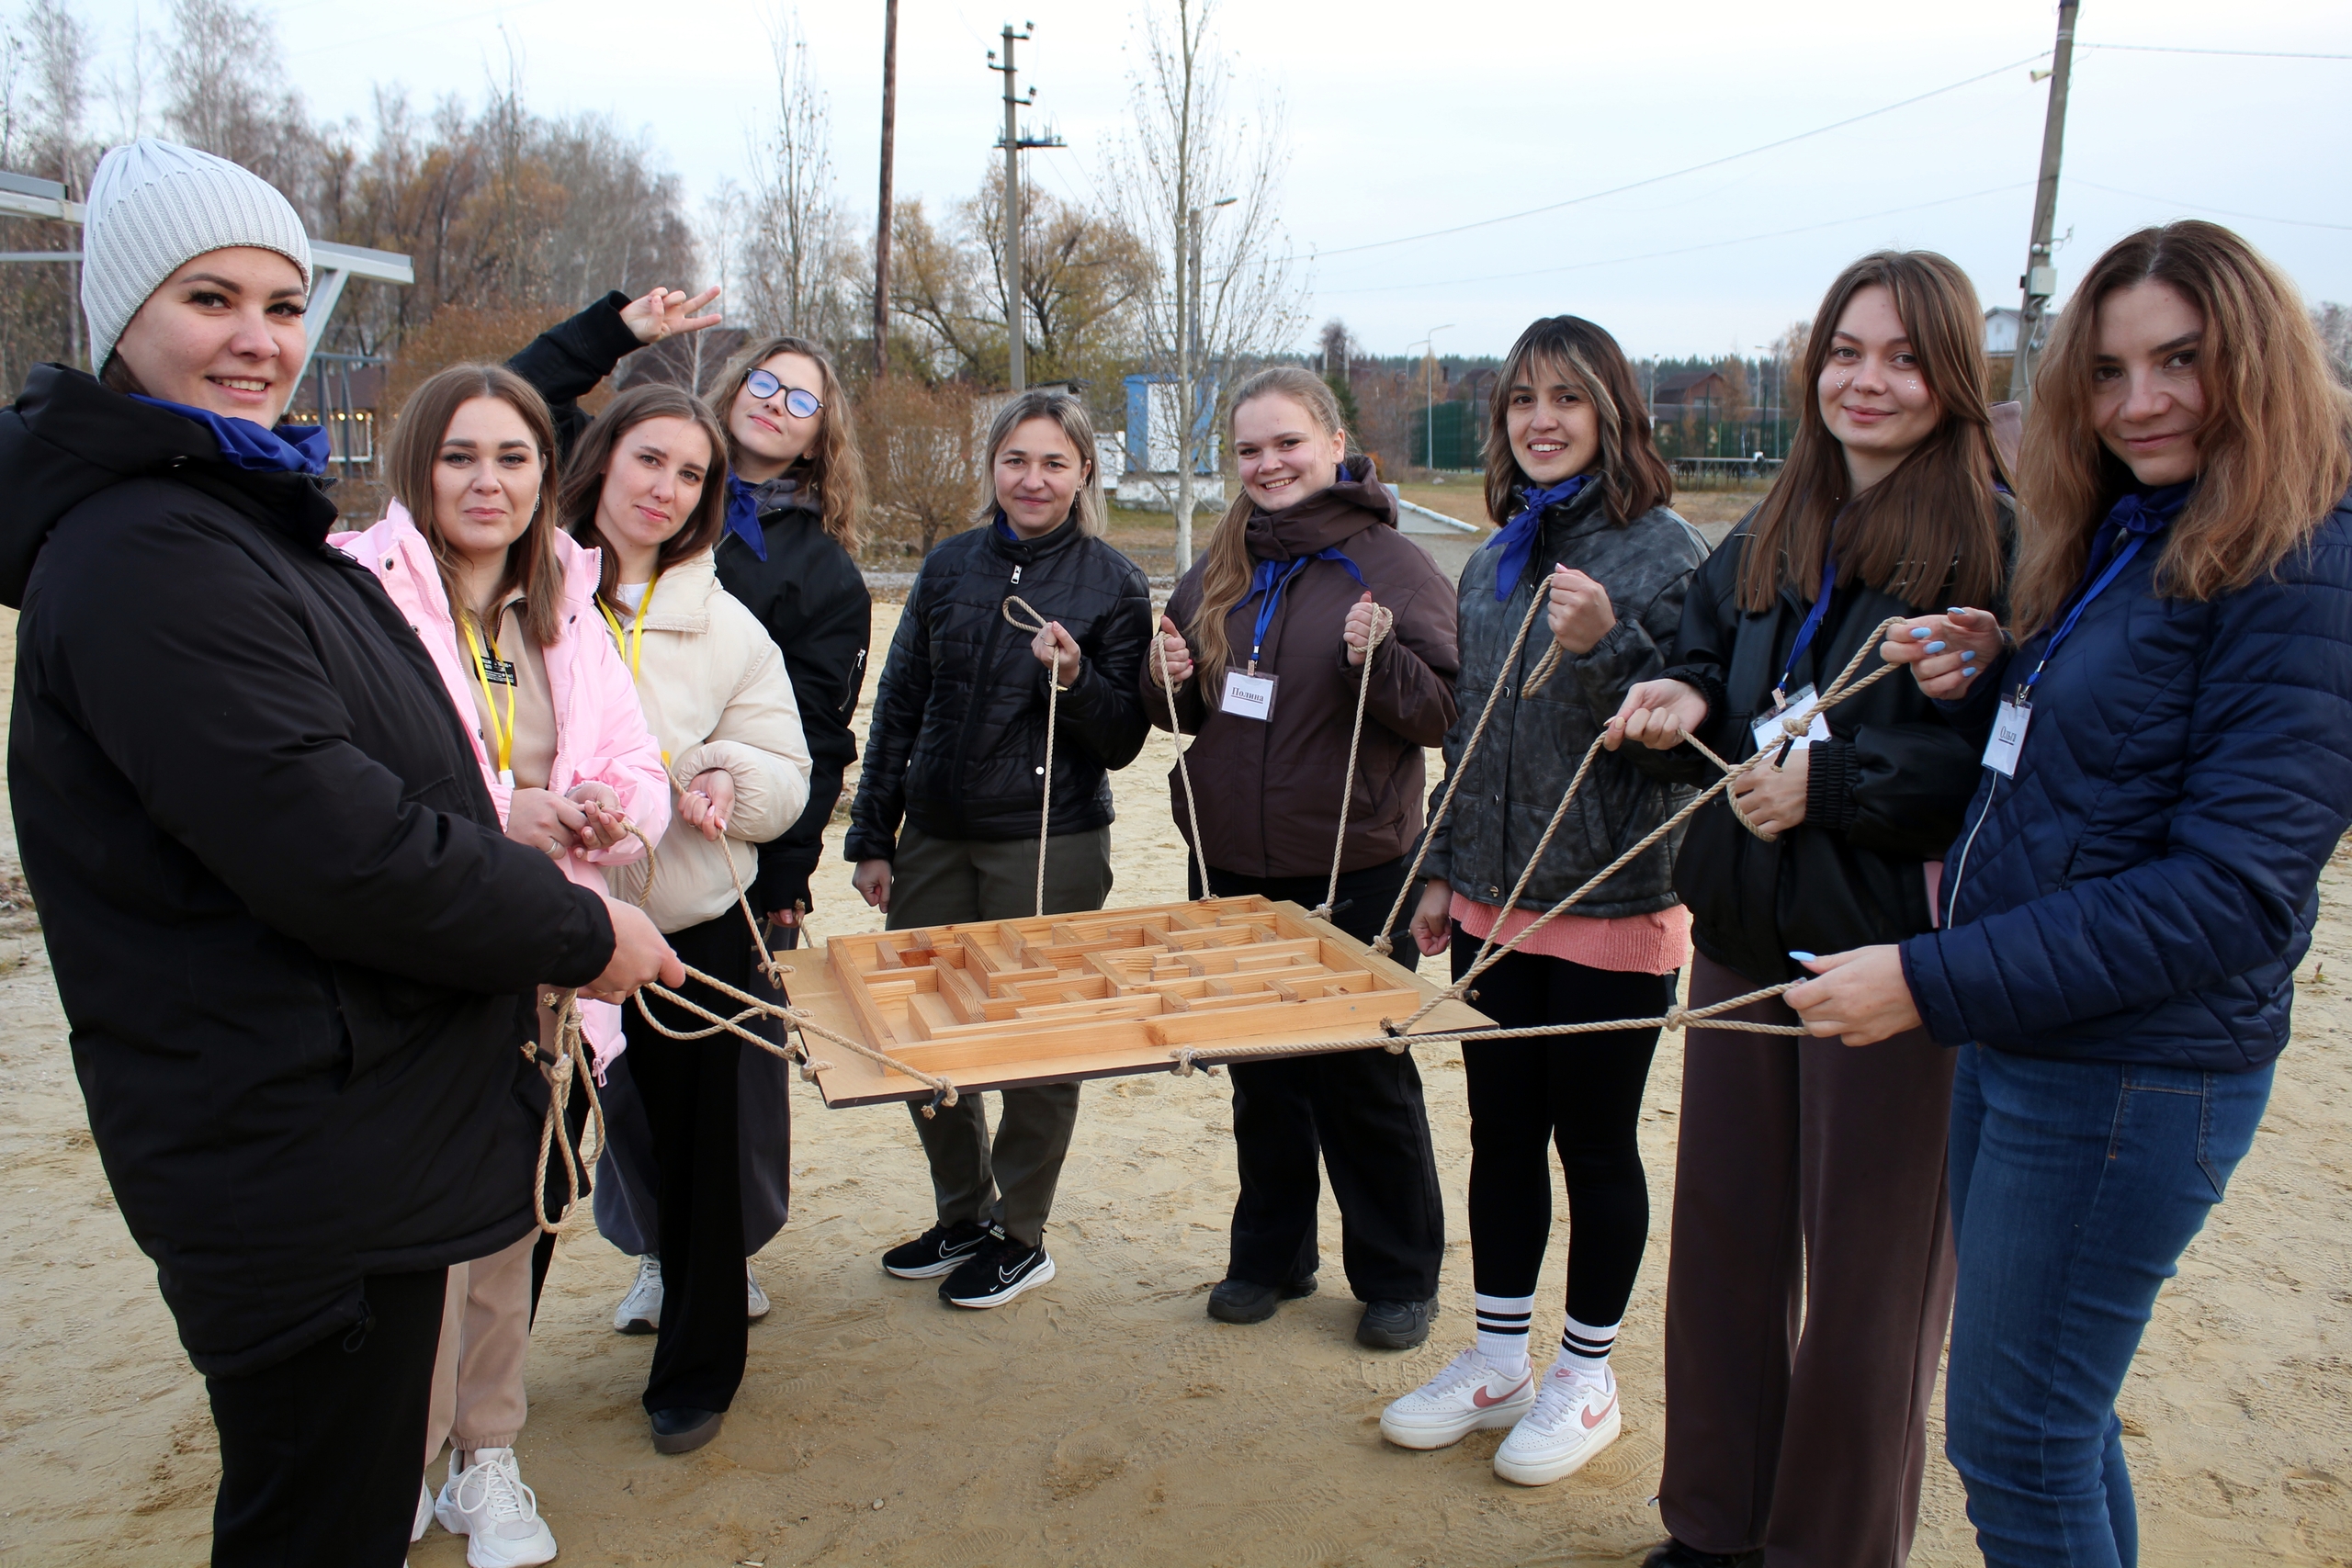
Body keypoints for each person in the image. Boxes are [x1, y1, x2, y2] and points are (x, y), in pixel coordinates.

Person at [0, 138, 677, 1568]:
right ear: (121, 316)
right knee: (320, 1516)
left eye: (283, 303)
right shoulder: (149, 551)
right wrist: (576, 930)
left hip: (366, 1119)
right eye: (209, 299)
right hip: (299, 1151)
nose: (258, 339)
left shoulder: (233, 517)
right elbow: (334, 839)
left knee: (355, 1496)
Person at [1788, 221, 2352, 1568]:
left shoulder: (2301, 563)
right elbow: (2115, 765)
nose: (2139, 400)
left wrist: (1927, 977)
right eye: (2106, 371)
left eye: (2180, 361)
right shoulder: (2144, 528)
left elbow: (2227, 891)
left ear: (2259, 362)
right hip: (2033, 1032)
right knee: (2057, 1422)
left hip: (2130, 1070)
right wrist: (2002, 669)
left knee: (2016, 1444)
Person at [1606, 251, 2010, 1568]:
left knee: (1866, 1287)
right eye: (1845, 351)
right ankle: (1712, 1526)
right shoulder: (1776, 520)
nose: (1866, 381)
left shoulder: (2000, 539)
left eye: (1903, 357)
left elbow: (2002, 770)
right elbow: (1704, 651)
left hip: (1888, 964)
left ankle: (1829, 1546)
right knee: (1724, 1243)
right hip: (1739, 942)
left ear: (1955, 376)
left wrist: (1831, 784)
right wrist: (1678, 698)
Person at [334, 362, 671, 1565]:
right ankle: (399, 1458)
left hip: (548, 971)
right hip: (414, 968)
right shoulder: (353, 593)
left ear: (544, 474)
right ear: (416, 465)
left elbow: (636, 764)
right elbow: (344, 790)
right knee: (406, 1245)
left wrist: (604, 812)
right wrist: (502, 810)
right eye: (461, 455)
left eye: (514, 457)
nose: (489, 481)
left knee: (508, 1230)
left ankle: (486, 1455)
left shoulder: (565, 604)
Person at [506, 297, 873, 1335]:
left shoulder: (814, 570)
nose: (777, 404)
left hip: (708, 863)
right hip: (557, 876)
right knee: (588, 1099)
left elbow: (807, 736)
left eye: (802, 399)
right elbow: (512, 403)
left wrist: (784, 873)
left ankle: (716, 1259)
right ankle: (651, 1253)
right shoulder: (586, 526)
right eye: (765, 381)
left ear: (822, 433)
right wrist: (614, 330)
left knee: (721, 1095)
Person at [1378, 317, 1704, 1483]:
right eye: (1522, 399)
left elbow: (1685, 753)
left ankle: (1586, 1375)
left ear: (1613, 412)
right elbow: (1471, 732)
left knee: (1595, 1144)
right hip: (1493, 901)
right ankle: (1499, 1358)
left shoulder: (1666, 553)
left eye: (1567, 397)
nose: (1541, 419)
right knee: (1502, 1136)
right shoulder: (1493, 559)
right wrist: (1442, 869)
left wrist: (1609, 646)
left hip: (1613, 904)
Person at [1145, 367, 1459, 1350]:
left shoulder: (1393, 566)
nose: (1269, 464)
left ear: (1333, 443)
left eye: (1287, 443)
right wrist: (1165, 677)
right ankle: (1272, 1257)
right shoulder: (1224, 559)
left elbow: (1443, 712)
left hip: (1351, 866)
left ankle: (1398, 1275)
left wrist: (1382, 660)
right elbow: (1185, 710)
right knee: (1262, 1078)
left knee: (1361, 1079)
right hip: (1234, 861)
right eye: (1249, 449)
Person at [847, 389, 1150, 1310]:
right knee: (917, 1028)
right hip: (936, 836)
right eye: (1016, 459)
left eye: (1054, 462)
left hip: (1049, 842)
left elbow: (1123, 737)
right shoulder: (948, 567)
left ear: (1084, 472)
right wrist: (874, 834)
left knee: (1038, 1039)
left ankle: (1021, 1233)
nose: (1033, 478)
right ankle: (963, 1212)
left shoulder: (1113, 582)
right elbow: (900, 703)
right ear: (992, 467)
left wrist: (1077, 678)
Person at [561, 383, 812, 1454]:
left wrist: (721, 775)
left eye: (691, 474)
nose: (665, 488)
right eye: (648, 459)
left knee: (707, 1157)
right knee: (529, 1161)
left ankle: (698, 1370)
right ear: (601, 460)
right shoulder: (522, 593)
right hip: (538, 928)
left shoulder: (728, 624)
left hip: (689, 927)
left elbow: (787, 771)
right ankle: (463, 1403)